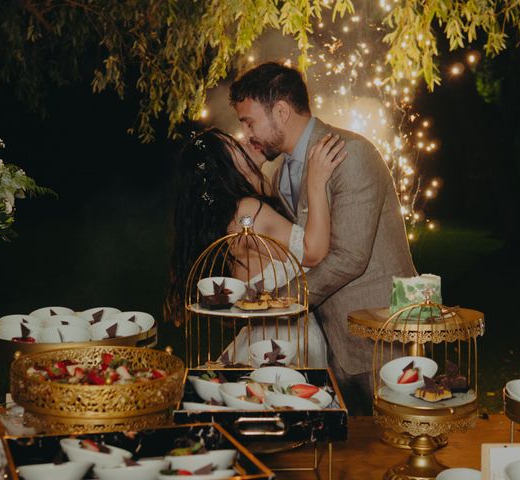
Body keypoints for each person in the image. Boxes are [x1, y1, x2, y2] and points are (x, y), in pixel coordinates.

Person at [229, 62, 417, 415]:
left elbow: (349, 257)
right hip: (328, 343)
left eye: (249, 121)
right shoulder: (278, 172)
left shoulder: (351, 153)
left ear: (281, 111)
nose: (246, 133)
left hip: (378, 338)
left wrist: (279, 302)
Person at [164, 127, 347, 368]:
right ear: (223, 166)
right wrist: (316, 182)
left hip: (273, 340)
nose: (246, 141)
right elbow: (312, 252)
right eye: (234, 145)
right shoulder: (246, 211)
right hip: (282, 348)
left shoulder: (235, 213)